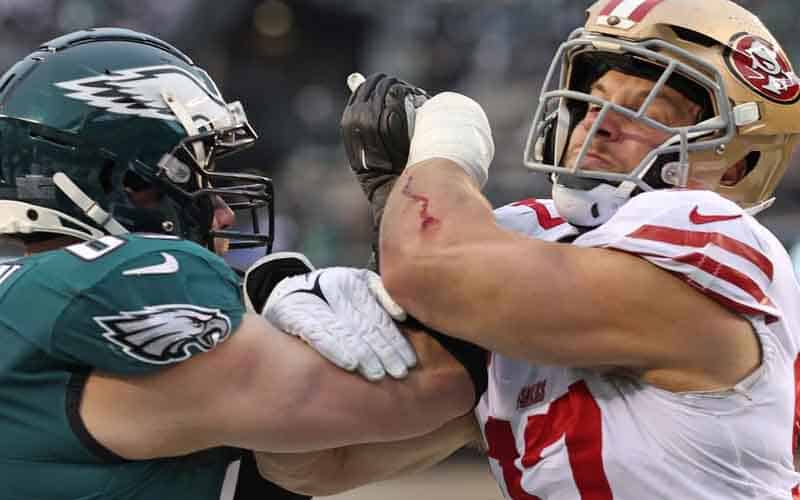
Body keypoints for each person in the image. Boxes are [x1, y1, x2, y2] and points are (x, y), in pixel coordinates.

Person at [335, 0, 800, 498]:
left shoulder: (714, 230)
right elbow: (326, 462)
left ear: (730, 170)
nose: (597, 123)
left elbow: (429, 268)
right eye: (594, 99)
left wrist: (445, 147)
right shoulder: (543, 244)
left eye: (646, 110)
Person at [0, 28, 480, 500]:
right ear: (130, 185)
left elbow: (313, 466)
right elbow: (424, 387)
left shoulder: (41, 304)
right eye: (196, 176)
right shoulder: (109, 279)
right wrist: (443, 168)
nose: (224, 212)